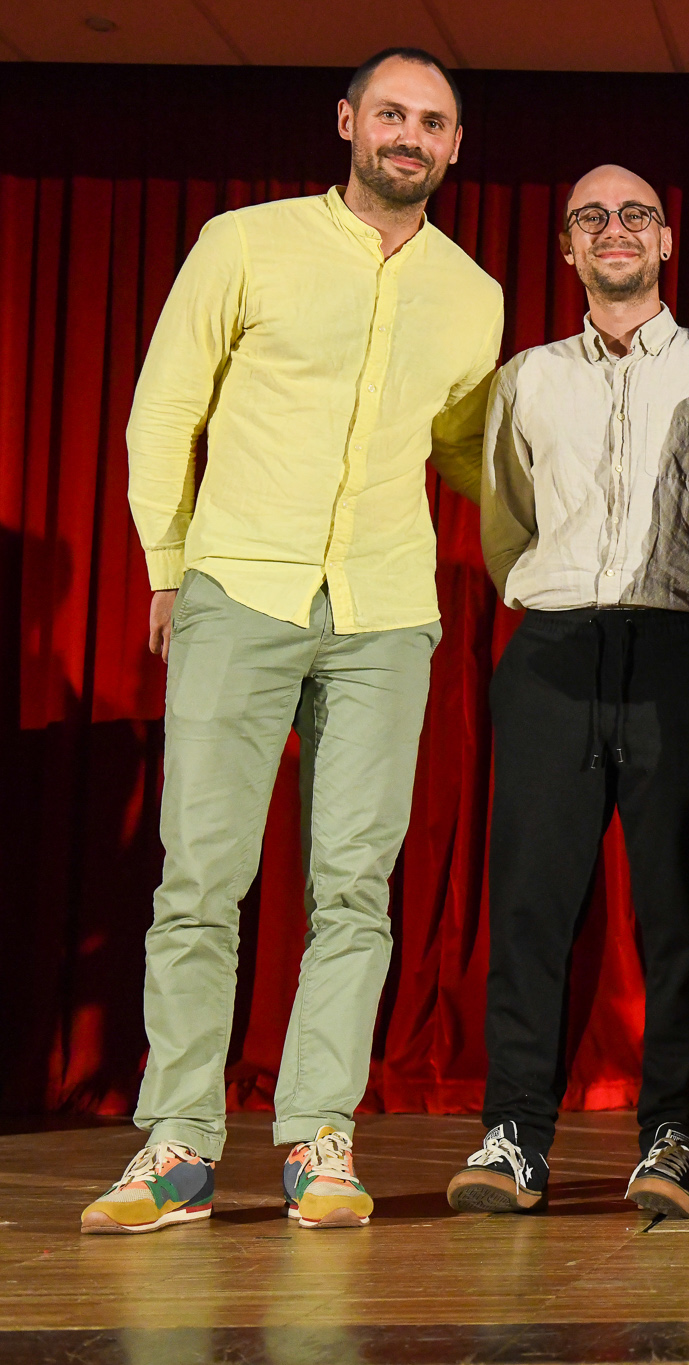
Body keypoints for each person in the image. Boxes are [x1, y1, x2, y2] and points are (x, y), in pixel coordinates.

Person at [88, 48, 501, 1234]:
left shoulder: (472, 293)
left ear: (454, 146)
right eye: (391, 114)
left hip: (386, 612)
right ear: (346, 122)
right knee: (199, 881)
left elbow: (461, 450)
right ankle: (178, 1145)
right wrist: (170, 567)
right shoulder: (243, 243)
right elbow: (165, 408)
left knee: (353, 890)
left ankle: (321, 1137)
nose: (409, 135)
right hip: (241, 589)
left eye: (432, 121)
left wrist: (549, 532)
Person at [442, 165, 689, 1219]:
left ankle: (673, 1133)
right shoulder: (526, 377)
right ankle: (515, 1136)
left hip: (681, 652)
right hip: (556, 651)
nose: (614, 230)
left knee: (682, 910)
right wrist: (555, 599)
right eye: (591, 218)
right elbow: (506, 519)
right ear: (567, 248)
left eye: (635, 216)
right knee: (532, 907)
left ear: (665, 241)